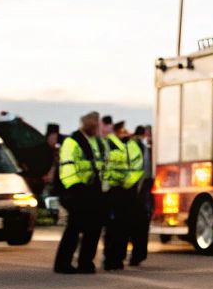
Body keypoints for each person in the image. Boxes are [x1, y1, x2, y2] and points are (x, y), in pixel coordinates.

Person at [53, 112, 109, 274]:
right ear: (90, 125)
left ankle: (86, 262)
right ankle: (63, 264)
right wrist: (75, 189)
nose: (98, 127)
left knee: (93, 229)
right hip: (77, 191)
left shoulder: (95, 141)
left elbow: (100, 165)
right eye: (96, 124)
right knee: (74, 228)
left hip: (94, 191)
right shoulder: (72, 142)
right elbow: (68, 168)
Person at [100, 118, 140, 271]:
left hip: (124, 195)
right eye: (121, 131)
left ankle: (116, 258)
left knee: (121, 230)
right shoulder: (110, 148)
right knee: (113, 230)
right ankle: (111, 259)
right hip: (114, 194)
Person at [126, 125, 153, 266]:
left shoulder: (134, 146)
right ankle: (138, 255)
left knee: (136, 225)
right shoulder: (143, 148)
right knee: (140, 225)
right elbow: (145, 171)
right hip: (141, 191)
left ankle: (136, 254)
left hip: (137, 191)